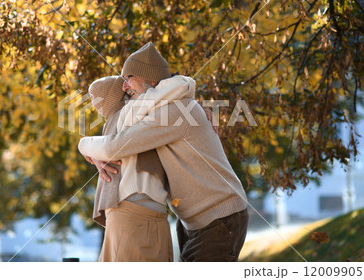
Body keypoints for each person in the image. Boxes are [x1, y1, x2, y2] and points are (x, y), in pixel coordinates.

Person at [79, 42, 249, 261]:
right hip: (194, 220)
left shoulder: (173, 111)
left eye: (128, 78)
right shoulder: (169, 107)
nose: (124, 87)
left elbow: (114, 146)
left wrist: (83, 144)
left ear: (150, 79)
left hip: (219, 216)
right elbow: (118, 113)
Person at [85, 74, 194, 261]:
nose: (127, 87)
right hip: (137, 213)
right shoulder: (130, 113)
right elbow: (182, 84)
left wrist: (84, 144)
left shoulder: (121, 119)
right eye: (125, 84)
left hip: (134, 214)